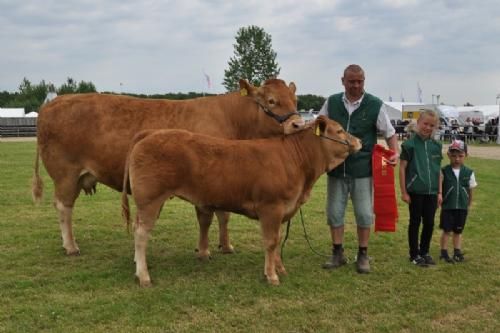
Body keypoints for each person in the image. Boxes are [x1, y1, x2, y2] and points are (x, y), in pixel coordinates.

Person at [319, 64, 399, 274]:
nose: (356, 85)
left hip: (363, 170)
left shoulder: (375, 105)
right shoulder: (332, 102)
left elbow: (389, 133)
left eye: (360, 81)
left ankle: (363, 254)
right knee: (334, 213)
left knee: (364, 214)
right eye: (352, 81)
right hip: (336, 169)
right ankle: (338, 253)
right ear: (342, 81)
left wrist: (394, 152)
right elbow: (318, 126)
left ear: (364, 81)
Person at [399, 110, 443, 267]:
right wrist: (404, 191)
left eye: (432, 125)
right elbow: (402, 168)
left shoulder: (436, 146)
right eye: (425, 124)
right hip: (416, 191)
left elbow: (438, 170)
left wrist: (439, 192)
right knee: (415, 222)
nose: (428, 127)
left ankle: (425, 252)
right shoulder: (409, 145)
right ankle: (414, 254)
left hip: (431, 192)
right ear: (418, 123)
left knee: (430, 223)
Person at [439, 140, 477, 263]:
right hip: (448, 207)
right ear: (448, 155)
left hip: (462, 207)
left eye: (460, 156)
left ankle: (457, 252)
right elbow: (439, 188)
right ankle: (444, 253)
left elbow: (471, 190)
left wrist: (469, 204)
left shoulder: (469, 173)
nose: (457, 159)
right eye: (454, 155)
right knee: (446, 230)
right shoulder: (444, 171)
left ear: (466, 155)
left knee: (458, 231)